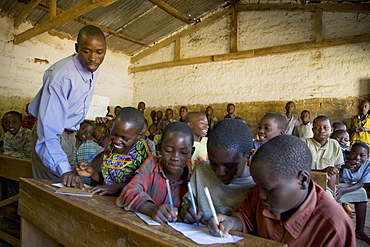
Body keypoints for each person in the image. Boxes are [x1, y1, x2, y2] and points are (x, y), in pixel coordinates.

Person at [208, 135, 356, 246]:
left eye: (268, 189)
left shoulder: (334, 228)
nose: (261, 195)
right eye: (259, 186)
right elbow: (247, 219)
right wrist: (231, 222)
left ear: (303, 180)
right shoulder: (262, 192)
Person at [28, 25, 107, 187]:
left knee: (68, 189)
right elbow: (47, 133)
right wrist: (64, 169)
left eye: (99, 52)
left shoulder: (92, 67)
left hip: (70, 136)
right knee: (51, 189)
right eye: (86, 51)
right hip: (52, 138)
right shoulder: (63, 77)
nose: (93, 58)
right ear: (77, 48)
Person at [180, 119, 255, 223]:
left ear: (249, 155)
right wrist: (187, 210)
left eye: (229, 165)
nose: (220, 173)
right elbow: (187, 203)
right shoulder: (201, 172)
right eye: (213, 164)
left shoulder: (258, 185)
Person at [116, 122, 193, 223]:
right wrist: (151, 209)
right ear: (160, 148)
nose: (175, 158)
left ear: (191, 153)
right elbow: (129, 191)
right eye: (169, 150)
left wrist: (190, 212)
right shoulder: (151, 165)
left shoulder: (193, 179)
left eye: (183, 153)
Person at [76, 107, 152, 195]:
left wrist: (118, 188)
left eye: (125, 138)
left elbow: (146, 184)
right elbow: (107, 179)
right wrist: (93, 173)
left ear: (139, 135)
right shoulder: (110, 147)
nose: (116, 141)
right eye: (114, 134)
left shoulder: (142, 151)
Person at [337, 142, 370, 244]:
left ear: (367, 156)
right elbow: (331, 171)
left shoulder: (368, 164)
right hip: (336, 184)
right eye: (354, 153)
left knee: (362, 193)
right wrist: (342, 166)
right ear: (349, 152)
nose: (357, 157)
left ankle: (359, 230)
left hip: (348, 187)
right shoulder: (341, 156)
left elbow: (361, 183)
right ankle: (336, 231)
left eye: (362, 155)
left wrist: (344, 190)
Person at [302, 115, 343, 194]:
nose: (321, 131)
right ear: (312, 130)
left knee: (329, 198)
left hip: (326, 186)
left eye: (325, 128)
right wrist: (322, 171)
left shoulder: (334, 144)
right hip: (305, 184)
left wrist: (333, 190)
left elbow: (336, 168)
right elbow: (297, 169)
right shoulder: (304, 143)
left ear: (332, 130)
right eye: (317, 128)